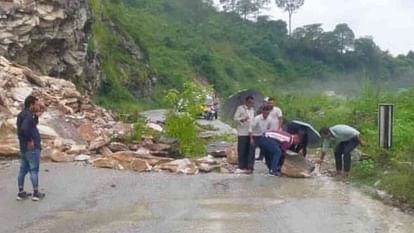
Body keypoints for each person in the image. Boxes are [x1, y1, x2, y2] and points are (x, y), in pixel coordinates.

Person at [16, 95, 45, 201]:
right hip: (31, 148)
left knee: (23, 170)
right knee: (34, 169)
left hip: (23, 147)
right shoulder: (28, 116)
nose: (38, 106)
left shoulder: (22, 115)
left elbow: (31, 125)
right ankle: (36, 193)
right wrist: (30, 140)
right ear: (31, 104)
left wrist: (36, 116)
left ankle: (20, 192)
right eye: (36, 104)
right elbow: (24, 129)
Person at [233, 96, 255, 173]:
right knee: (242, 149)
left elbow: (252, 120)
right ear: (246, 102)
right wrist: (242, 119)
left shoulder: (252, 110)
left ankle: (249, 166)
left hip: (250, 132)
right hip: (242, 132)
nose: (251, 104)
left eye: (252, 103)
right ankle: (241, 166)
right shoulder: (240, 108)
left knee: (249, 150)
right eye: (249, 102)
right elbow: (235, 118)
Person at [248, 105, 272, 171]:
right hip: (255, 136)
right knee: (252, 152)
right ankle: (250, 167)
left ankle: (270, 167)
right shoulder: (257, 118)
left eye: (268, 113)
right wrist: (251, 139)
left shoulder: (269, 119)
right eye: (265, 113)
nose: (266, 115)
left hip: (263, 136)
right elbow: (250, 129)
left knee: (267, 151)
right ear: (262, 112)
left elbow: (269, 128)